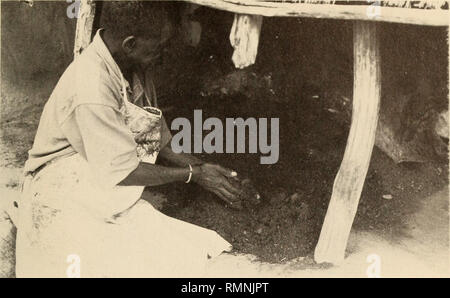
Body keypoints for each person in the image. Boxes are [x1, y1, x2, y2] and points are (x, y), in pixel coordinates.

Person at [15, 2, 243, 277]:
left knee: (167, 243)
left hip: (98, 166)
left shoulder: (131, 66)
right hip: (60, 182)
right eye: (158, 48)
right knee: (123, 254)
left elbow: (153, 138)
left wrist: (204, 168)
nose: (164, 56)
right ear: (130, 44)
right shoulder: (92, 87)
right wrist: (193, 175)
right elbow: (123, 170)